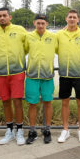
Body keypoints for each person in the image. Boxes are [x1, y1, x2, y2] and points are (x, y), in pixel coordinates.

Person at [0, 7, 27, 145]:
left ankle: (20, 131)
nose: (2, 18)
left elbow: (28, 46)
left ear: (10, 17)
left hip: (17, 73)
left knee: (17, 102)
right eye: (0, 16)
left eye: (4, 15)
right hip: (0, 73)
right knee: (5, 102)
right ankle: (9, 131)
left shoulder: (20, 29)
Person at [56, 10, 80, 143]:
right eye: (70, 17)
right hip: (64, 74)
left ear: (78, 20)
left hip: (79, 74)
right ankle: (66, 130)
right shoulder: (59, 34)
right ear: (66, 19)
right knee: (65, 102)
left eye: (74, 17)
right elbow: (54, 49)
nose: (72, 19)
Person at [24, 15, 57, 144]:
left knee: (48, 103)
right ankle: (32, 131)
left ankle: (47, 129)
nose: (40, 25)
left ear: (47, 24)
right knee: (32, 104)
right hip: (32, 76)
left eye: (43, 23)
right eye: (38, 23)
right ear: (34, 23)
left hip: (47, 76)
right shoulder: (29, 37)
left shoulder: (53, 37)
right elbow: (24, 51)